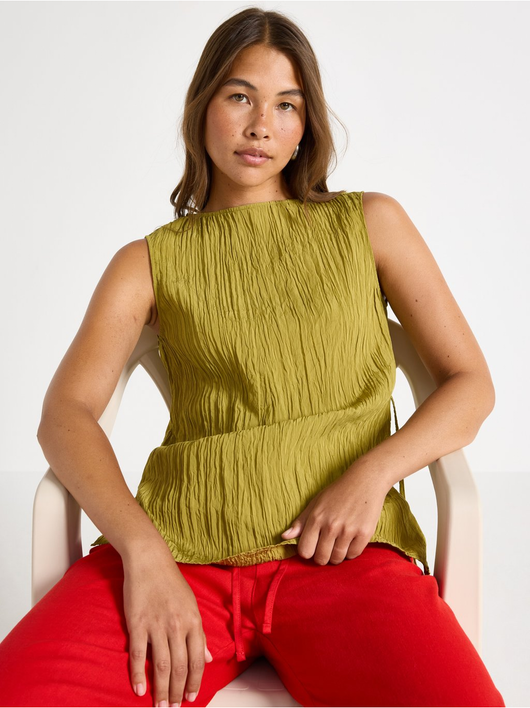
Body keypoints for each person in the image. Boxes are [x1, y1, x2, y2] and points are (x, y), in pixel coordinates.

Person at [0, 6, 505, 708]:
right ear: (201, 108)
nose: (261, 124)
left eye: (286, 105)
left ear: (305, 127)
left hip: (343, 557)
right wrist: (143, 554)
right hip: (182, 556)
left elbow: (470, 383)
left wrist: (374, 474)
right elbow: (65, 414)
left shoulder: (371, 224)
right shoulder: (145, 262)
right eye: (240, 96)